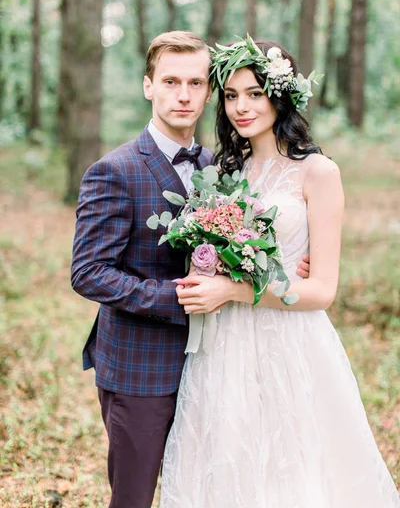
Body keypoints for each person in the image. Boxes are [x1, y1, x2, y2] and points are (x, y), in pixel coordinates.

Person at [70, 29, 312, 508]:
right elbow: (89, 271)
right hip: (141, 366)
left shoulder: (221, 168)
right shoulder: (114, 170)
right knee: (134, 497)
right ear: (148, 86)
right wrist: (178, 298)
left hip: (220, 362)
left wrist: (279, 261)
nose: (183, 95)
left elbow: (244, 242)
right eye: (170, 81)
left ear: (210, 91)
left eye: (196, 83)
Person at [160, 38, 400, 508]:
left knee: (291, 468)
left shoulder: (319, 173)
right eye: (230, 95)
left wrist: (232, 287)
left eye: (253, 93)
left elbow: (321, 290)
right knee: (229, 459)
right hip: (225, 343)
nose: (240, 107)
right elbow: (209, 251)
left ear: (280, 93)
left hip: (291, 341)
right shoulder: (227, 170)